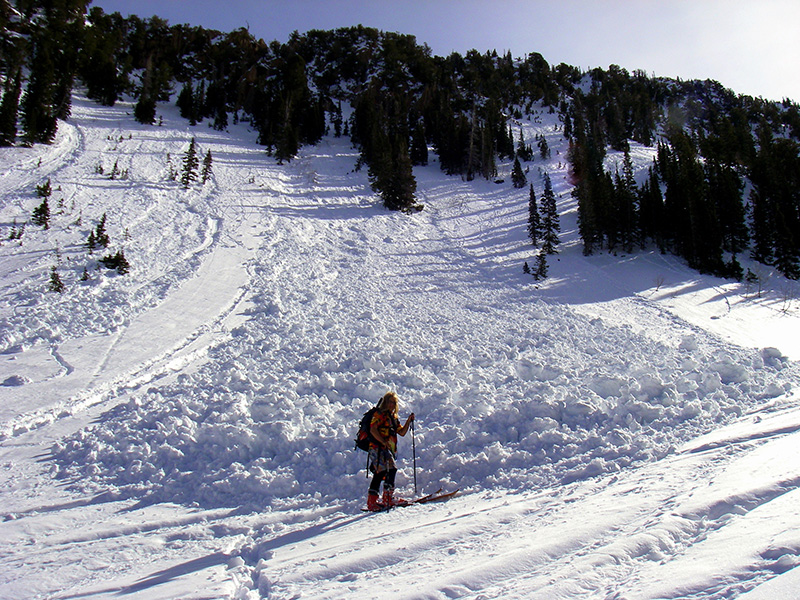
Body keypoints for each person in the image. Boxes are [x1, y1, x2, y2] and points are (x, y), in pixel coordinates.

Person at [367, 391, 415, 511]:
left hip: (384, 448)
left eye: (394, 403)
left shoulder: (392, 418)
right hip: (377, 448)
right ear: (385, 402)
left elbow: (402, 432)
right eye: (390, 402)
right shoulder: (380, 415)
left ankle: (376, 500)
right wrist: (383, 442)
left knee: (382, 472)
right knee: (387, 470)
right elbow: (373, 429)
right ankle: (384, 499)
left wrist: (408, 421)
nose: (392, 405)